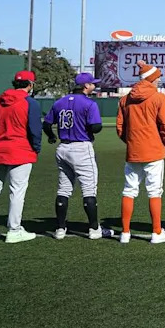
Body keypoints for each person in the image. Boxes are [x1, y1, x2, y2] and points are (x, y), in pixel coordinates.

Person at [0, 71, 42, 244]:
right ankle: (14, 230)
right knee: (17, 191)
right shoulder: (30, 102)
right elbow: (35, 130)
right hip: (21, 150)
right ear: (30, 84)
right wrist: (36, 148)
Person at [43, 72, 112, 240]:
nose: (94, 86)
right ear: (85, 86)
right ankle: (94, 229)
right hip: (81, 148)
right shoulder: (89, 103)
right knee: (89, 189)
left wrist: (52, 137)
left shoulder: (59, 102)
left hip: (63, 148)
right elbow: (96, 127)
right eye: (92, 84)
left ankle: (60, 229)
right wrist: (87, 129)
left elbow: (46, 124)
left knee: (64, 189)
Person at [116, 60, 165, 244]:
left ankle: (125, 232)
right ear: (151, 79)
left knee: (129, 190)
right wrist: (162, 143)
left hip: (133, 151)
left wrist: (132, 142)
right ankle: (156, 232)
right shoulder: (159, 98)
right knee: (154, 191)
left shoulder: (125, 99)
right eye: (157, 78)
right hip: (154, 151)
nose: (159, 81)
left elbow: (120, 128)